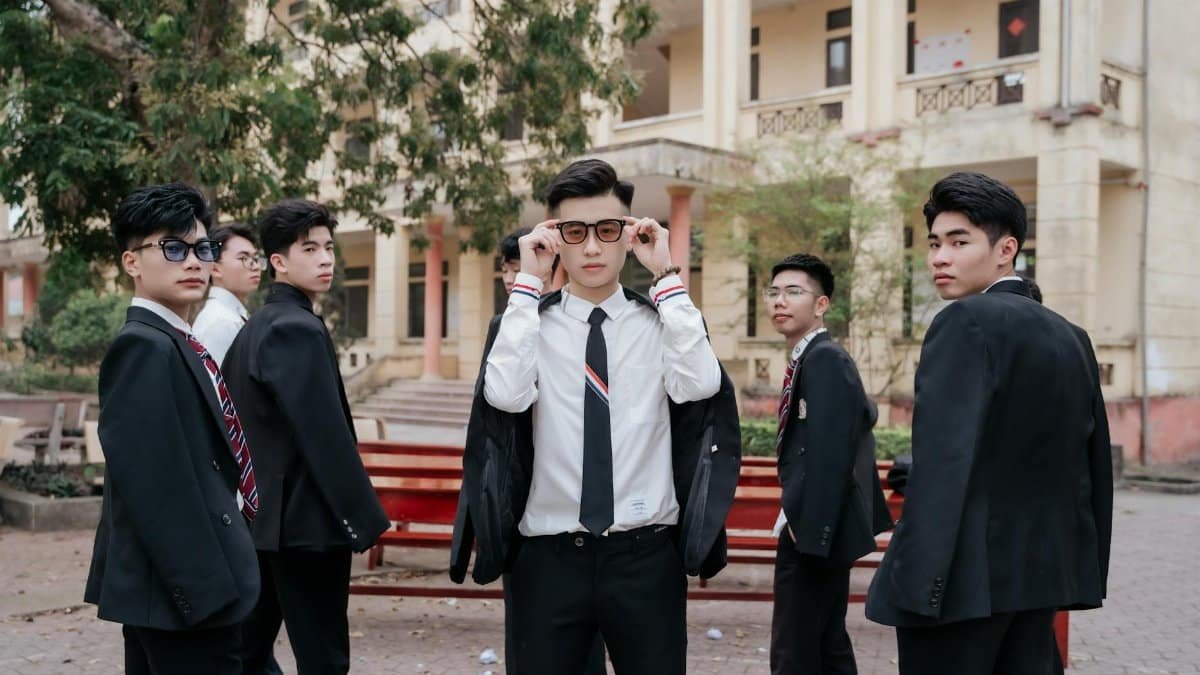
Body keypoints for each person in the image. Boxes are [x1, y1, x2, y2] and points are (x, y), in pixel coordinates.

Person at [452, 159, 741, 674]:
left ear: (629, 234)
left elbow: (701, 383)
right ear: (554, 236)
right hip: (548, 559)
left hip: (646, 558)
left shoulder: (662, 321)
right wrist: (528, 285)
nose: (590, 247)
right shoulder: (527, 325)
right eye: (574, 231)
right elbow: (504, 395)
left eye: (607, 231)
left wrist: (667, 275)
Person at [865, 172, 1113, 675]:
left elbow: (945, 463)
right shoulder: (1073, 338)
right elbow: (1092, 469)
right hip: (1041, 580)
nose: (939, 257)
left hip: (960, 587)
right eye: (935, 243)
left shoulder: (965, 320)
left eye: (960, 241)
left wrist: (915, 584)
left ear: (1006, 249)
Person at [84, 183, 260, 674]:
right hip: (183, 597)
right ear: (131, 262)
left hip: (178, 594)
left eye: (201, 249)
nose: (193, 262)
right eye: (173, 248)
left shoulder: (179, 341)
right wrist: (206, 595)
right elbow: (153, 486)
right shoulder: (143, 347)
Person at [222, 199, 390, 674]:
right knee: (323, 658)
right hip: (309, 528)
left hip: (265, 523)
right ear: (278, 261)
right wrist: (364, 519)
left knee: (248, 653)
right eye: (309, 248)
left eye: (329, 248)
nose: (325, 259)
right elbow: (325, 438)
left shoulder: (256, 327)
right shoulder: (296, 328)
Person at [766, 253, 891, 674]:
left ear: (821, 305)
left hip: (814, 533)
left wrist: (811, 533)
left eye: (793, 292)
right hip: (816, 529)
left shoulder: (825, 359)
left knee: (795, 651)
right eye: (774, 292)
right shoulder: (811, 359)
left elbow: (831, 452)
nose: (779, 301)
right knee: (825, 644)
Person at [193, 223, 263, 367]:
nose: (255, 266)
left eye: (255, 259)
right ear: (215, 268)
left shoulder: (230, 315)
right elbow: (218, 387)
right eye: (244, 258)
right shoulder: (221, 322)